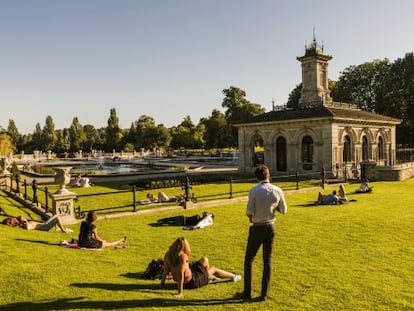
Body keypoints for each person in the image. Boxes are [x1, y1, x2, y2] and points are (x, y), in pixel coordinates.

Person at [236, 165, 287, 301]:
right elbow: (283, 210)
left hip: (258, 227)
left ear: (257, 177)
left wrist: (252, 218)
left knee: (249, 260)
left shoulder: (254, 191)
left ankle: (247, 292)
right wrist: (272, 208)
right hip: (271, 227)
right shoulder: (277, 190)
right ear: (268, 175)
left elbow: (249, 212)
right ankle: (263, 294)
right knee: (267, 261)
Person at [160, 237, 241, 298]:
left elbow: (166, 270)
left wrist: (162, 283)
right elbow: (181, 275)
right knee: (213, 269)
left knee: (204, 260)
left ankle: (207, 278)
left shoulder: (168, 254)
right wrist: (180, 293)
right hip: (192, 282)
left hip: (190, 276)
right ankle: (234, 276)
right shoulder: (182, 257)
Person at [2, 215, 72, 233]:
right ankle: (63, 230)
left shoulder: (23, 224)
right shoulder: (24, 224)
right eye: (23, 218)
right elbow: (28, 228)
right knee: (57, 217)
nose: (24, 218)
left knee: (56, 216)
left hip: (44, 225)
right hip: (44, 227)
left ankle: (59, 228)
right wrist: (26, 221)